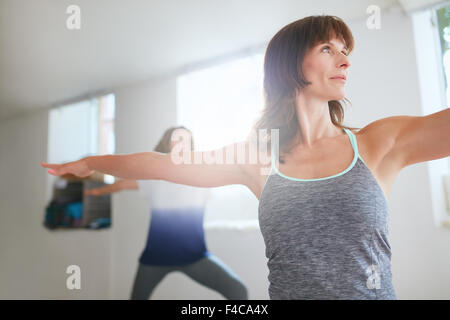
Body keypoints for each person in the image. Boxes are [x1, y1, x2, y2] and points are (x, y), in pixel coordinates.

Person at [41, 15, 450, 299]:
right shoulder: (258, 158)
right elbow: (160, 164)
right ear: (290, 65)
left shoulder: (380, 142)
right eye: (328, 48)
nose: (345, 60)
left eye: (346, 51)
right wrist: (93, 161)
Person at [85, 126, 248, 300]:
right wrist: (93, 193)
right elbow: (121, 184)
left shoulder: (202, 176)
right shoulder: (153, 179)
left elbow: (232, 173)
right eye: (176, 140)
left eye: (185, 140)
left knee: (237, 290)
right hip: (155, 259)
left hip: (194, 257)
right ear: (167, 145)